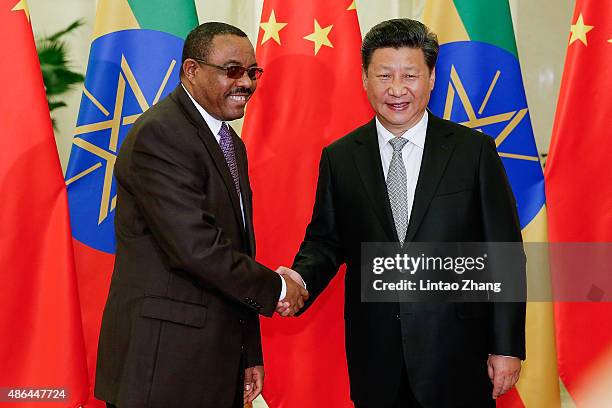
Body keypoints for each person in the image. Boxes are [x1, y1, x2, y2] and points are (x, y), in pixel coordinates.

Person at [277, 19, 525, 408]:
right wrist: (298, 280)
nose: (396, 89)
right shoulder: (341, 157)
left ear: (430, 79)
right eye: (384, 75)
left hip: (458, 354)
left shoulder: (473, 151)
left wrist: (507, 346)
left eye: (410, 75)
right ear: (364, 79)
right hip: (376, 357)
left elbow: (504, 252)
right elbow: (326, 241)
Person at [94, 22, 308, 408]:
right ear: (192, 70)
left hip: (215, 362)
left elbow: (235, 249)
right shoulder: (160, 135)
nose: (246, 83)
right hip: (164, 367)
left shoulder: (229, 143)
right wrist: (277, 290)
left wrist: (248, 352)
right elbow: (196, 249)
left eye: (252, 72)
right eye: (232, 71)